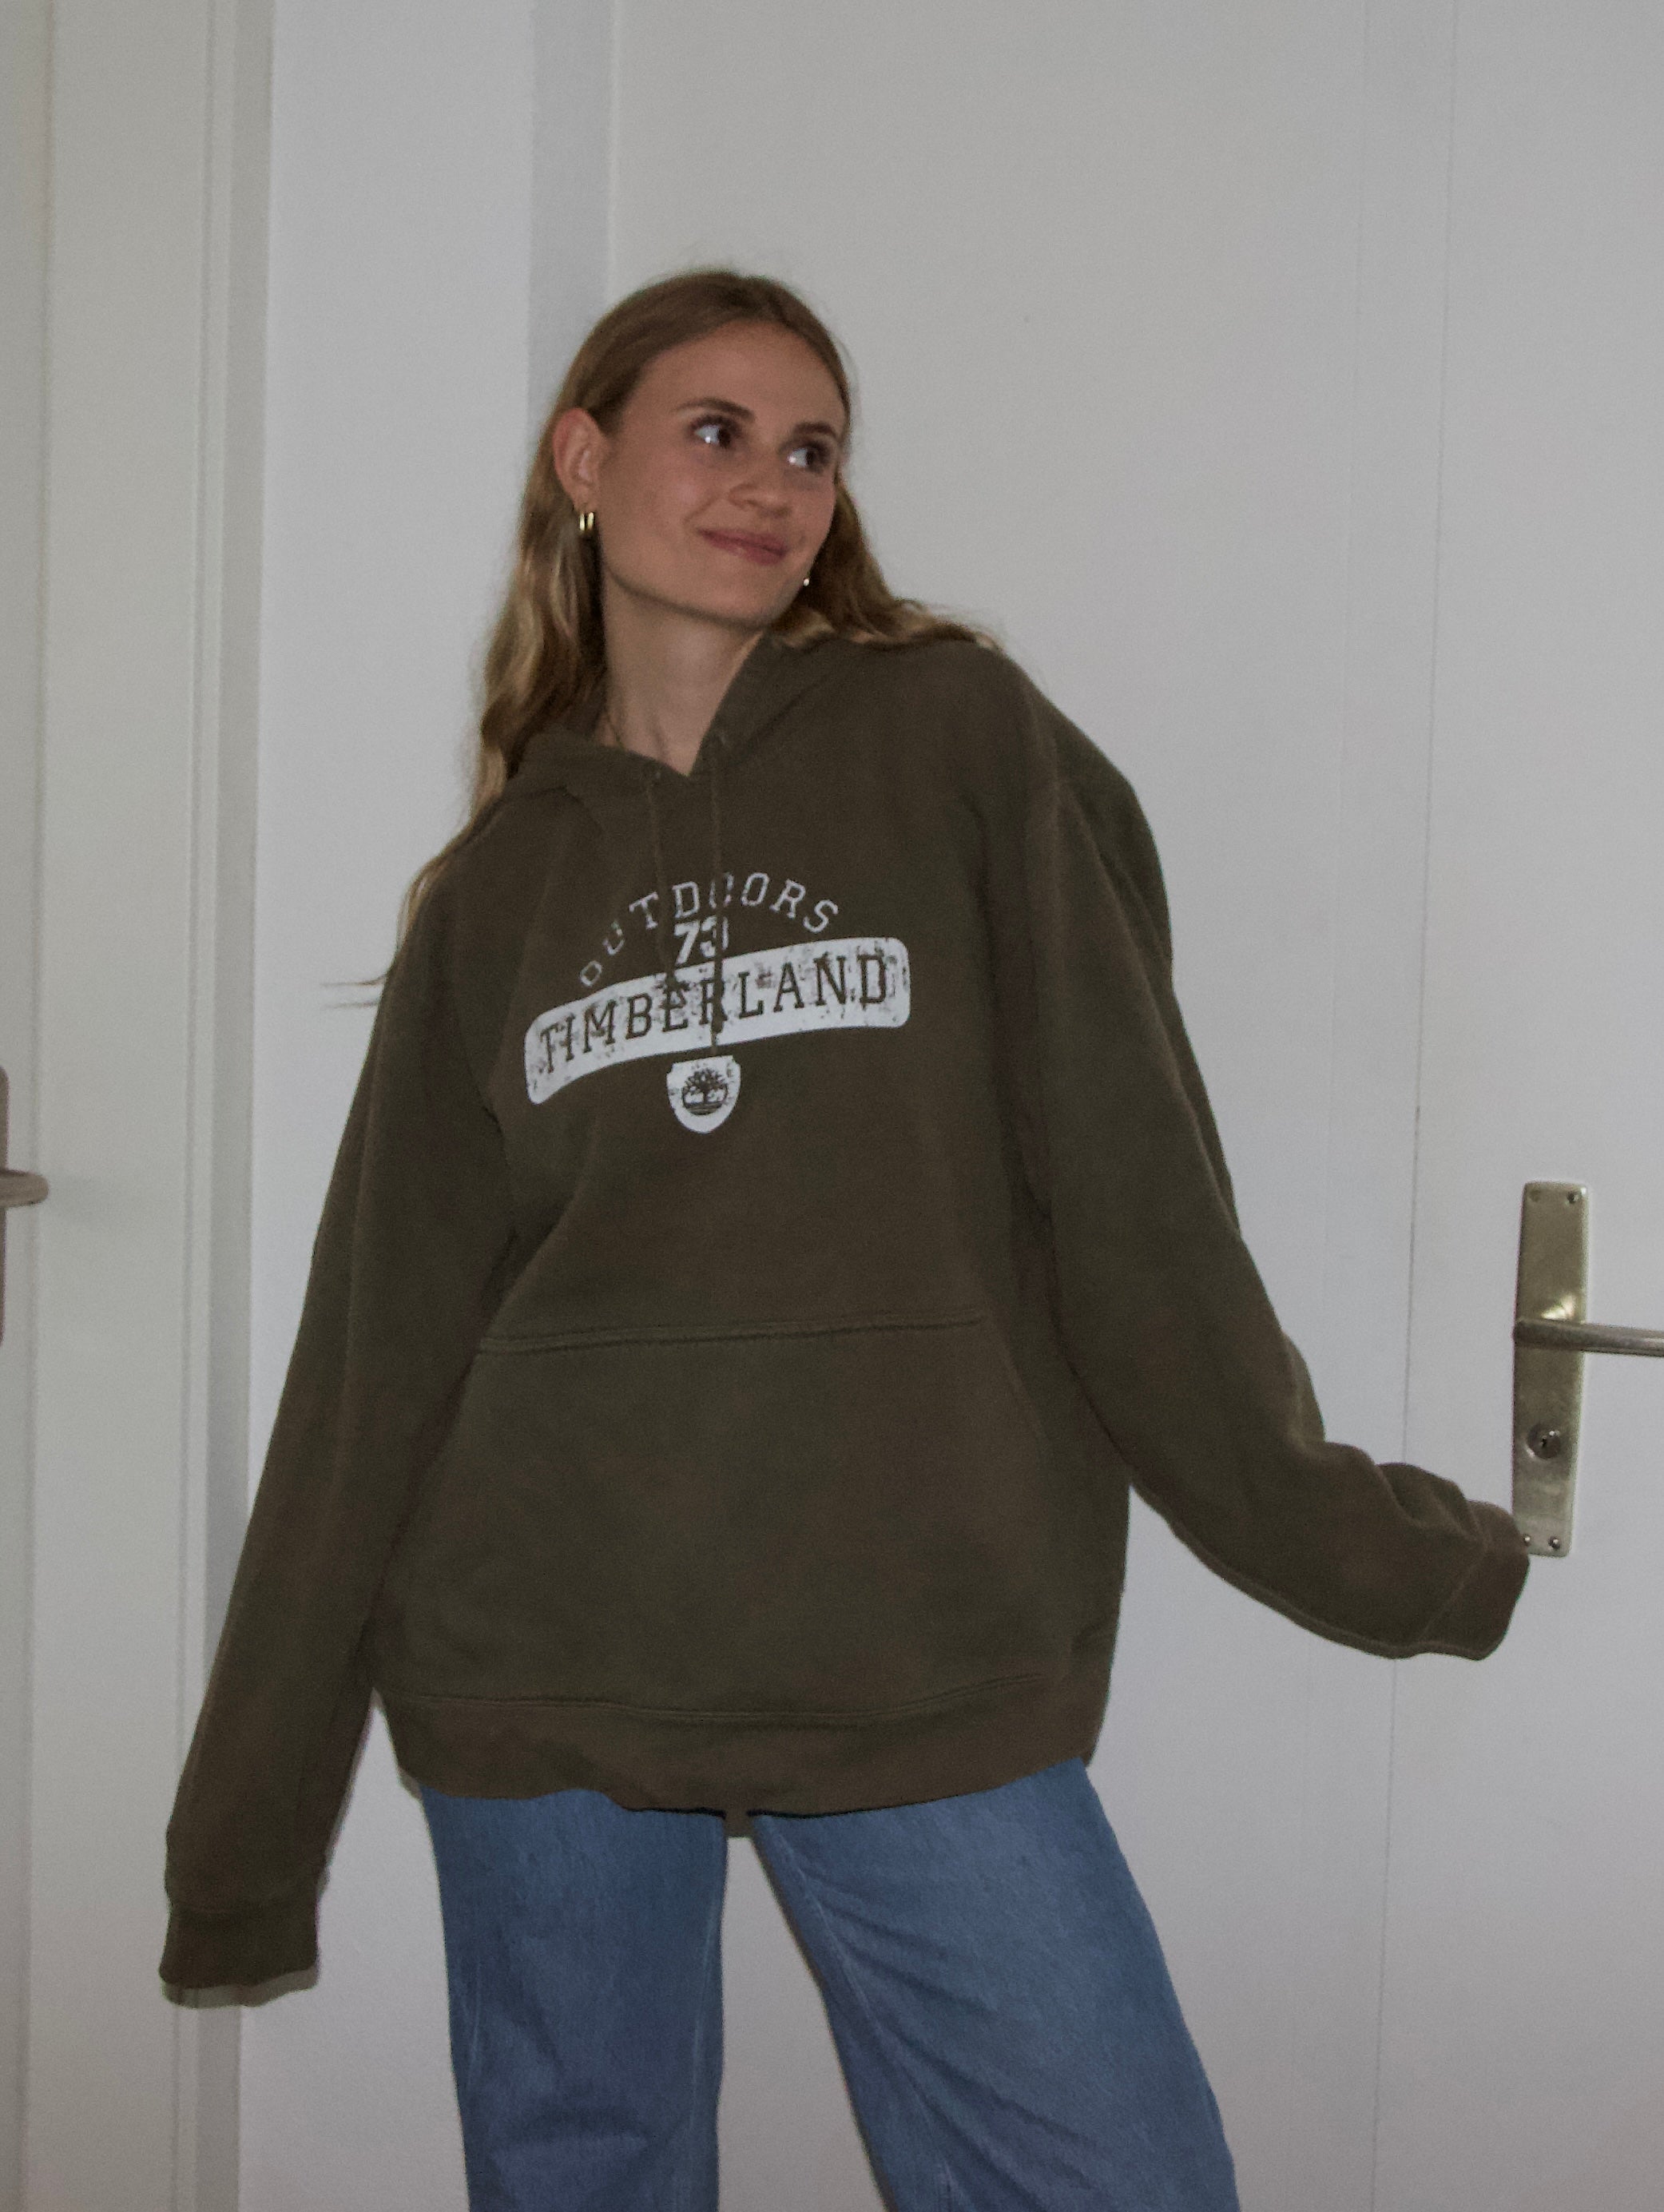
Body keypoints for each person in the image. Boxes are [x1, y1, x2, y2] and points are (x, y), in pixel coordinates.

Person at [161, 268, 1528, 2210]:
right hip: (539, 1652)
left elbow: (1137, 1208)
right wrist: (242, 1835)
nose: (772, 484)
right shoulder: (496, 893)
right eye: (716, 431)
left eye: (811, 450)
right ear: (583, 459)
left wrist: (1353, 1539)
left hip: (908, 1637)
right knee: (578, 2171)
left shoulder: (961, 742)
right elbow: (370, 1364)